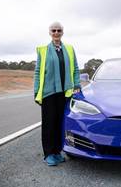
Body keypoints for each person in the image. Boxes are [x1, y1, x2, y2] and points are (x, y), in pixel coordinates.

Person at [34, 22, 81, 166]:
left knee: (60, 123)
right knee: (49, 124)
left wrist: (77, 85)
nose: (56, 32)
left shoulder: (69, 49)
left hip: (64, 93)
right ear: (49, 32)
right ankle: (48, 154)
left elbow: (75, 69)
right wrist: (36, 91)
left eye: (58, 30)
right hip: (48, 92)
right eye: (53, 30)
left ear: (62, 32)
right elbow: (37, 72)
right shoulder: (43, 50)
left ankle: (57, 152)